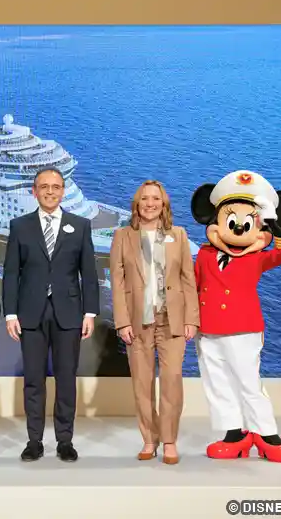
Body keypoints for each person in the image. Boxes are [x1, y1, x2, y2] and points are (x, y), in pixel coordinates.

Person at [190, 170, 281, 463]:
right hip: (208, 328)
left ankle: (266, 434)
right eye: (231, 220)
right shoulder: (203, 255)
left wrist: (273, 223)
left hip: (243, 328)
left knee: (248, 382)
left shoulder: (257, 257)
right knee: (216, 382)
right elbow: (193, 284)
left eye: (248, 222)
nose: (238, 228)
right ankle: (233, 432)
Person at [2, 166, 100, 463]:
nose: (50, 191)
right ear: (34, 191)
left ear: (63, 190)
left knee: (66, 378)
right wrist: (10, 314)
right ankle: (34, 440)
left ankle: (65, 440)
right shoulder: (20, 226)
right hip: (30, 313)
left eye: (55, 186)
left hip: (68, 314)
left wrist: (90, 312)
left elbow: (89, 274)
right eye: (43, 186)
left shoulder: (80, 225)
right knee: (33, 379)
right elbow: (10, 273)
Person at [108, 180, 199, 465]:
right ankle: (149, 438)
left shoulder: (179, 235)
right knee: (141, 384)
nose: (150, 204)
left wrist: (191, 319)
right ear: (137, 203)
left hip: (171, 320)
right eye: (144, 198)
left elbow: (188, 280)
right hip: (137, 322)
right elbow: (117, 281)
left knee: (172, 382)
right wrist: (122, 321)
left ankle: (169, 440)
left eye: (155, 199)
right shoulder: (122, 235)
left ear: (164, 204)